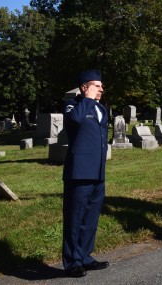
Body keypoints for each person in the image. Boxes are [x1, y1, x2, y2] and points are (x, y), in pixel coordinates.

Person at [62, 69, 110, 277]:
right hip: (79, 173)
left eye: (101, 85)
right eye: (97, 85)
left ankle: (85, 256)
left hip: (97, 172)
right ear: (85, 88)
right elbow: (76, 121)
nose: (101, 89)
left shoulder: (101, 109)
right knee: (75, 218)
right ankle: (73, 261)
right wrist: (87, 99)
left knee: (91, 218)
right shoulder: (73, 106)